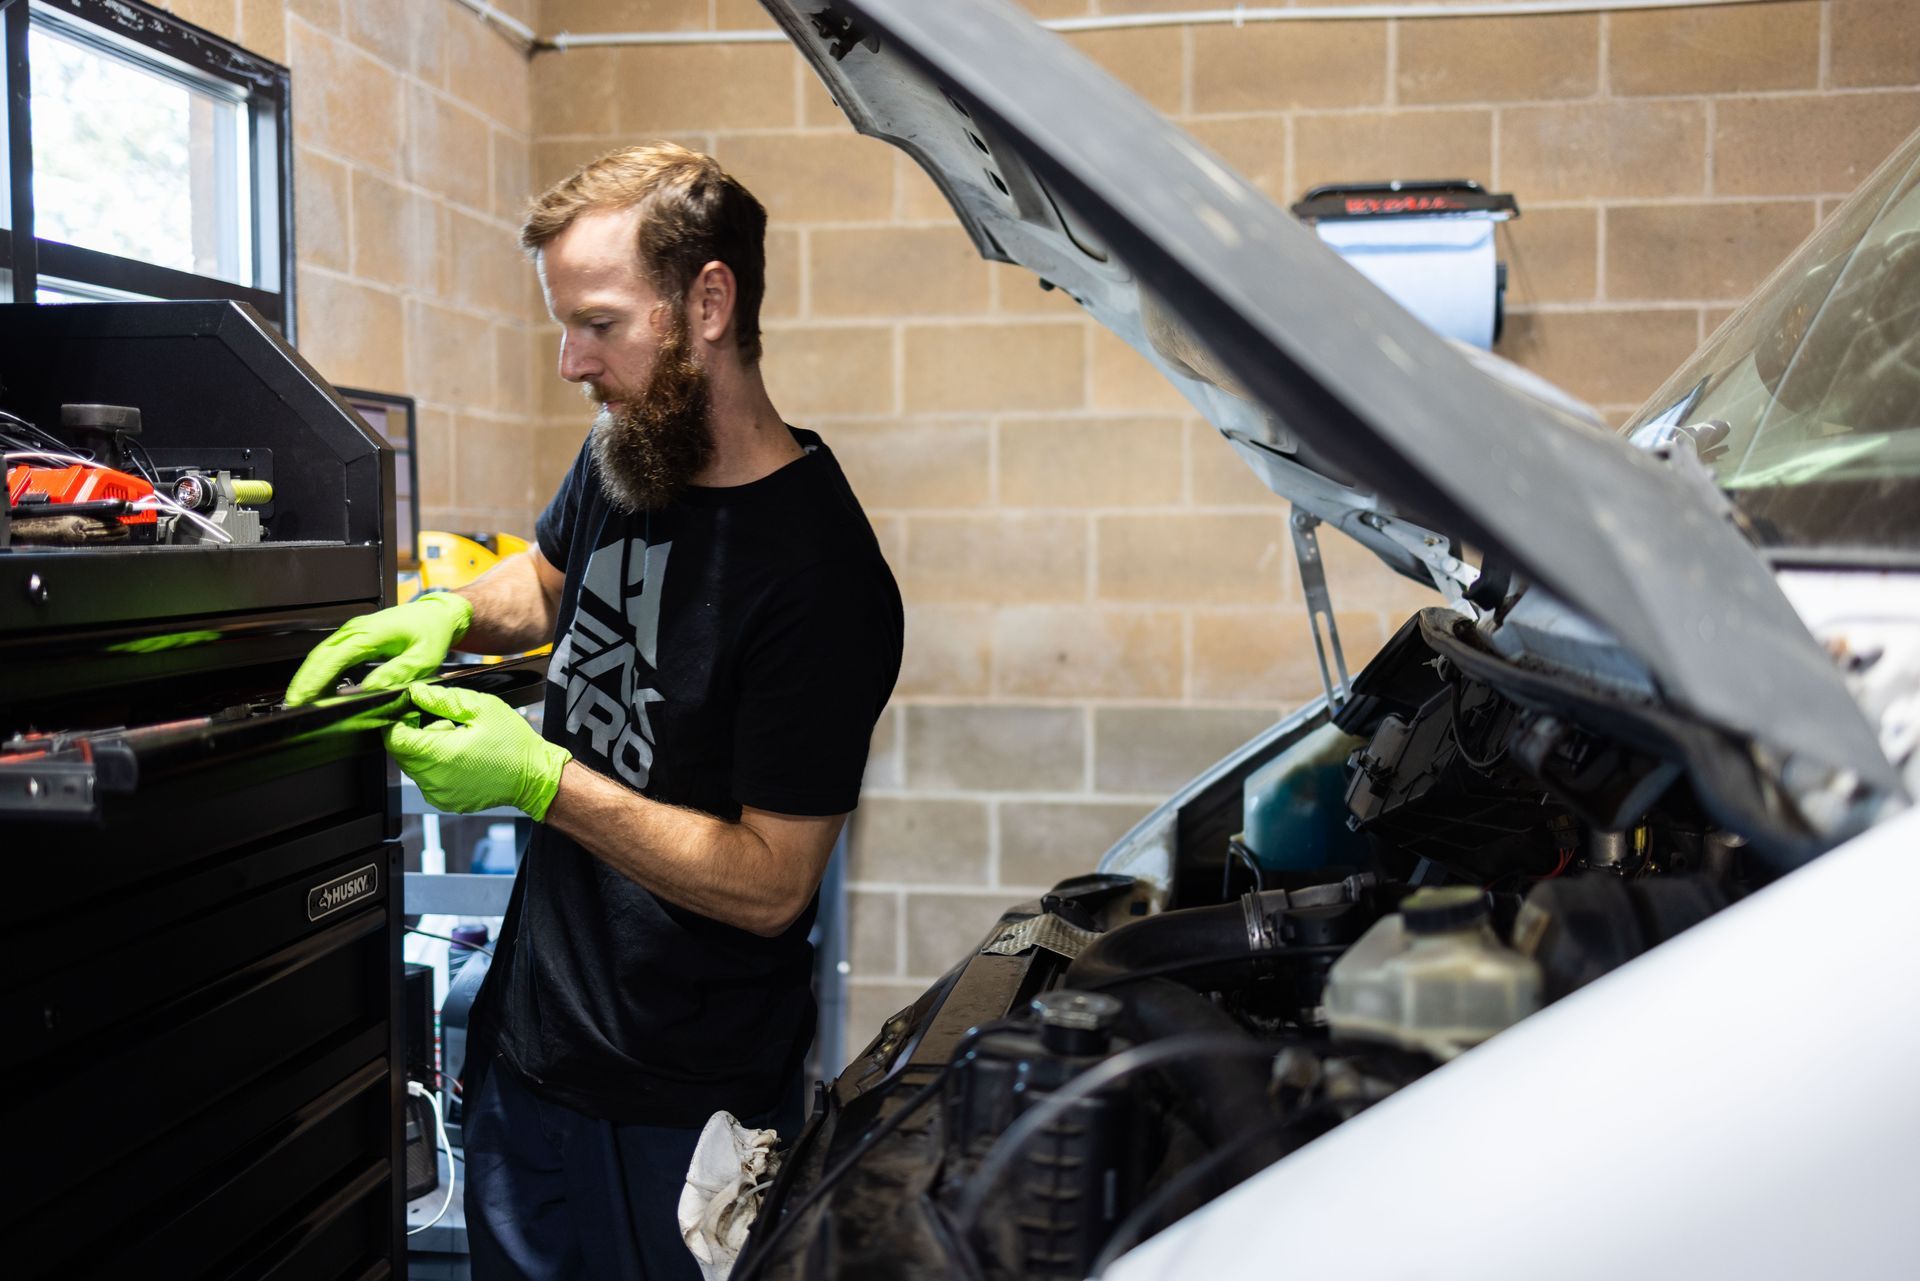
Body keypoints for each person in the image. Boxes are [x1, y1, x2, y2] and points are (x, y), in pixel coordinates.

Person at [284, 142, 903, 1279]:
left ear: (707, 302)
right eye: (564, 324)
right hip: (532, 1053)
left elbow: (772, 882)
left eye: (601, 323)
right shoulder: (630, 453)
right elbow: (549, 582)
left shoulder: (820, 578)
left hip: (678, 1105)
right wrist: (444, 614)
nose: (572, 361)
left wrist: (538, 780)